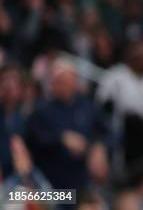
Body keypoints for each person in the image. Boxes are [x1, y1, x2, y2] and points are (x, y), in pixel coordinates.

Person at [25, 58, 110, 189]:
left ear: (75, 82)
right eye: (59, 81)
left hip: (82, 177)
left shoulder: (87, 106)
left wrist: (100, 147)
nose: (63, 85)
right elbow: (34, 139)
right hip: (50, 180)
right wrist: (61, 138)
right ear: (52, 84)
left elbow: (107, 132)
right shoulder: (41, 109)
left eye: (67, 80)